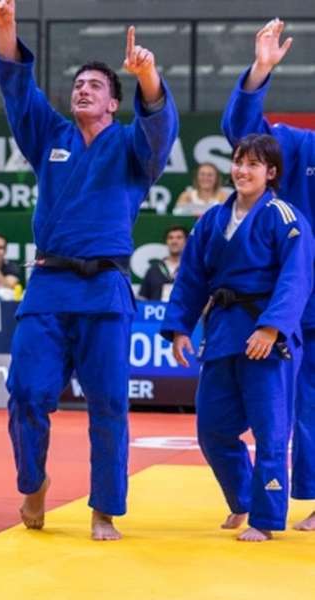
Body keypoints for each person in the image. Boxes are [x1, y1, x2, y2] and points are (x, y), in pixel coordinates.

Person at [0, 0, 178, 540]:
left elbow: (159, 127)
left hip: (104, 288)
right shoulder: (51, 137)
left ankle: (104, 508)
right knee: (26, 391)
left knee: (110, 403)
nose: (84, 89)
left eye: (96, 84)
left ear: (115, 102)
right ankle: (33, 482)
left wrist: (148, 77)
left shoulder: (132, 147)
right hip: (48, 284)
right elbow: (18, 92)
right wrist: (7, 29)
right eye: (78, 83)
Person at [162, 134, 313, 541]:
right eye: (238, 162)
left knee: (271, 432)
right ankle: (243, 498)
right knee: (212, 429)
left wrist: (271, 326)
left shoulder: (285, 217)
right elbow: (191, 276)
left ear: (272, 173)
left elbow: (296, 278)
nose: (242, 171)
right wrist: (180, 326)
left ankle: (265, 518)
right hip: (225, 330)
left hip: (269, 337)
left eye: (253, 164)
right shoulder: (212, 219)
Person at [221, 18, 315, 532]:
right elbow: (244, 133)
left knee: (307, 409)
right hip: (292, 302)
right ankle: (253, 495)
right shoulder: (298, 148)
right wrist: (259, 72)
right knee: (283, 410)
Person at [138, 225, 188, 301]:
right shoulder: (153, 270)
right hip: (156, 311)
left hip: (184, 312)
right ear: (166, 242)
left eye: (179, 237)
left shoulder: (191, 269)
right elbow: (143, 298)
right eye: (170, 238)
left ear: (186, 241)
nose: (174, 241)